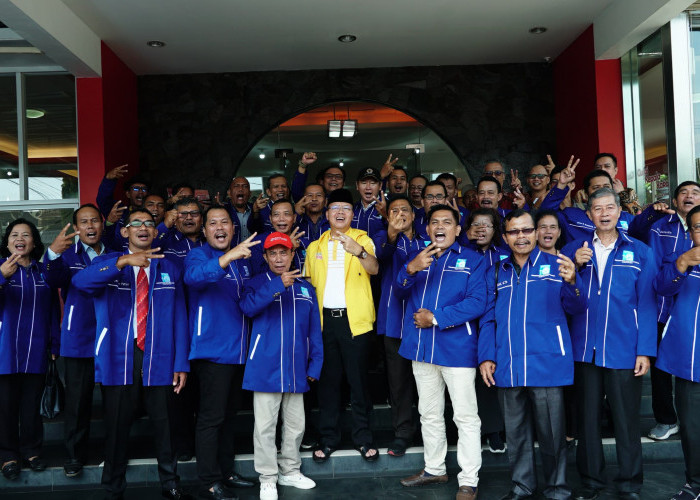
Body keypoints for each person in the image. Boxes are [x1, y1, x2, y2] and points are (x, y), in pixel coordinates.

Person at [72, 209, 191, 500]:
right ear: (124, 232)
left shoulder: (169, 267)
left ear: (155, 232)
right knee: (116, 425)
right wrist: (123, 261)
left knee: (165, 424)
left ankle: (170, 482)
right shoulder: (107, 262)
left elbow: (179, 317)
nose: (143, 227)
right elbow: (81, 282)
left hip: (160, 356)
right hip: (118, 357)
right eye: (136, 223)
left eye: (149, 223)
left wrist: (181, 363)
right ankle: (113, 485)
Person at [479, 209, 585, 500]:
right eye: (514, 232)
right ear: (505, 237)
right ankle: (522, 486)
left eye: (526, 230)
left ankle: (557, 489)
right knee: (515, 433)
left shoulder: (558, 265)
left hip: (547, 361)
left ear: (537, 233)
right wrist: (486, 356)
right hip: (509, 362)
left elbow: (577, 308)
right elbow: (488, 317)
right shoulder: (497, 270)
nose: (521, 237)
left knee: (552, 433)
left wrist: (573, 282)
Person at [560, 188, 657, 500]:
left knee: (626, 420)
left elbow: (646, 304)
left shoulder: (639, 251)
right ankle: (591, 483)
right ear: (589, 215)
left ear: (619, 213)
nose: (603, 213)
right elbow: (562, 301)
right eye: (597, 208)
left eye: (609, 207)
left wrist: (645, 349)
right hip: (584, 348)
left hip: (624, 348)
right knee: (587, 421)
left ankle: (630, 483)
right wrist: (574, 270)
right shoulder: (574, 248)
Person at [396, 204, 486, 500]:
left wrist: (435, 317)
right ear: (427, 228)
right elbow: (398, 292)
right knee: (429, 413)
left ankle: (469, 478)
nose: (440, 227)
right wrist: (411, 269)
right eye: (435, 222)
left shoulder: (473, 260)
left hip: (457, 349)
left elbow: (477, 302)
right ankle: (434, 469)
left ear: (458, 230)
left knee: (465, 416)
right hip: (422, 348)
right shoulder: (419, 257)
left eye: (447, 222)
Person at [239, 232, 323, 500]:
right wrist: (277, 285)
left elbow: (314, 331)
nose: (278, 258)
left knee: (296, 425)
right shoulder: (255, 283)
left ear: (291, 255)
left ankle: (290, 470)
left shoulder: (305, 288)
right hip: (264, 367)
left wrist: (315, 365)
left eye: (283, 252)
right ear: (264, 257)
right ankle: (267, 477)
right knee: (264, 427)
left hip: (297, 367)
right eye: (273, 253)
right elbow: (248, 308)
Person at [183, 205, 258, 500]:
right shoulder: (198, 254)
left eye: (224, 222)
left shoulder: (243, 260)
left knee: (229, 417)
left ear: (232, 227)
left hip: (239, 353)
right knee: (211, 419)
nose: (219, 227)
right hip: (212, 353)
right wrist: (228, 257)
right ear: (205, 231)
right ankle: (209, 481)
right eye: (212, 223)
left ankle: (226, 471)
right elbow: (194, 278)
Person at [303, 188, 379, 463]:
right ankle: (329, 438)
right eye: (334, 208)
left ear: (352, 213)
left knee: (358, 383)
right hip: (325, 323)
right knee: (328, 384)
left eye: (345, 208)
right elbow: (308, 285)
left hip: (354, 322)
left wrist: (357, 251)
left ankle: (363, 438)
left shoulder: (363, 239)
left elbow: (374, 268)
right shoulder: (315, 247)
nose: (340, 212)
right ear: (326, 214)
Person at [44, 205, 108, 478]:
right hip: (78, 338)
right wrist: (53, 253)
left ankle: (113, 452)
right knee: (78, 402)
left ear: (103, 223)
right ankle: (74, 456)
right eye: (84, 222)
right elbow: (52, 279)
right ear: (77, 228)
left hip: (111, 338)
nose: (90, 225)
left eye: (95, 220)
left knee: (115, 402)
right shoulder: (68, 256)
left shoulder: (116, 251)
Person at [0, 219, 60, 481]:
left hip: (36, 351)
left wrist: (54, 344)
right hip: (4, 354)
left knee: (31, 407)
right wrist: (2, 276)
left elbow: (53, 312)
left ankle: (32, 452)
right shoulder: (2, 270)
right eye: (14, 234)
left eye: (26, 235)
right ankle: (7, 456)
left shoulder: (42, 272)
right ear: (7, 242)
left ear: (34, 242)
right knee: (5, 408)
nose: (20, 238)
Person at [646, 181, 700, 442]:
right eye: (684, 192)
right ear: (675, 200)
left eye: (695, 193)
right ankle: (666, 419)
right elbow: (655, 272)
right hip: (664, 310)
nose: (689, 196)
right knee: (661, 370)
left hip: (692, 315)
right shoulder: (660, 227)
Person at [653, 204, 700, 499]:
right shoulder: (681, 258)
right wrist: (682, 263)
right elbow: (660, 287)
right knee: (692, 430)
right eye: (697, 226)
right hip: (689, 362)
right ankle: (694, 484)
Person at [375, 196, 422, 457]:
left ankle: (432, 429)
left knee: (429, 380)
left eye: (405, 210)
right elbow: (379, 256)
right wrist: (391, 233)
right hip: (394, 320)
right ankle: (403, 432)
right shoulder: (384, 238)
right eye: (394, 210)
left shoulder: (428, 239)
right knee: (399, 381)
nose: (400, 214)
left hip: (425, 320)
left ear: (415, 216)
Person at [249, 199, 308, 275]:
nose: (281, 219)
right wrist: (289, 247)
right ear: (270, 219)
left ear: (294, 218)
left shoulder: (305, 244)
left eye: (286, 214)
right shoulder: (257, 243)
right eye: (276, 214)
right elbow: (258, 276)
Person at [158, 197, 206, 266]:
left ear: (202, 220)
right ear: (174, 219)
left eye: (194, 213)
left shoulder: (210, 239)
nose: (189, 217)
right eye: (183, 214)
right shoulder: (166, 238)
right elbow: (151, 246)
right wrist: (165, 225)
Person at [353, 167, 387, 241]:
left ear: (380, 186)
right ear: (357, 185)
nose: (368, 187)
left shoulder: (390, 207)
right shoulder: (352, 209)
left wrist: (386, 215)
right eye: (364, 183)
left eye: (372, 183)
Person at [223, 177, 253, 245]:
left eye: (245, 186)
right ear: (229, 193)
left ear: (250, 193)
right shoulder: (223, 211)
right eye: (236, 186)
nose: (240, 189)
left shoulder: (256, 211)